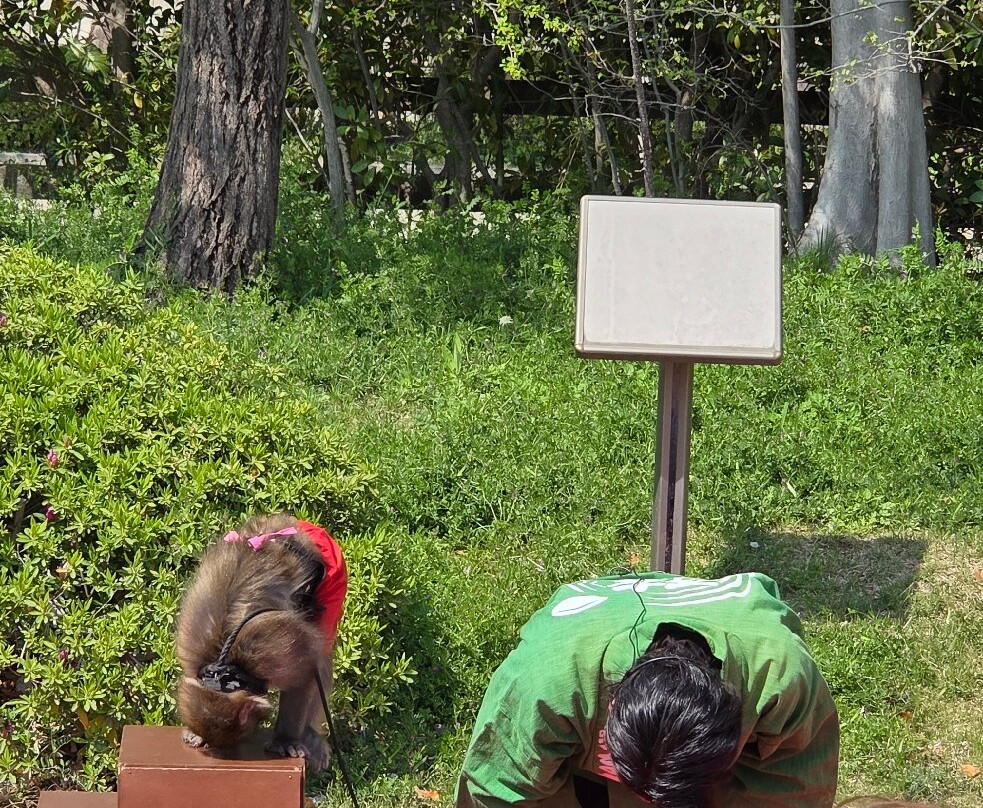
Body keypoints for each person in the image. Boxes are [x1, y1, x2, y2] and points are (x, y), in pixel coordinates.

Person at [456, 571, 839, 808]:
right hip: (588, 637)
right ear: (613, 704)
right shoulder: (544, 684)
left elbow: (795, 792)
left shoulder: (782, 679)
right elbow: (493, 793)